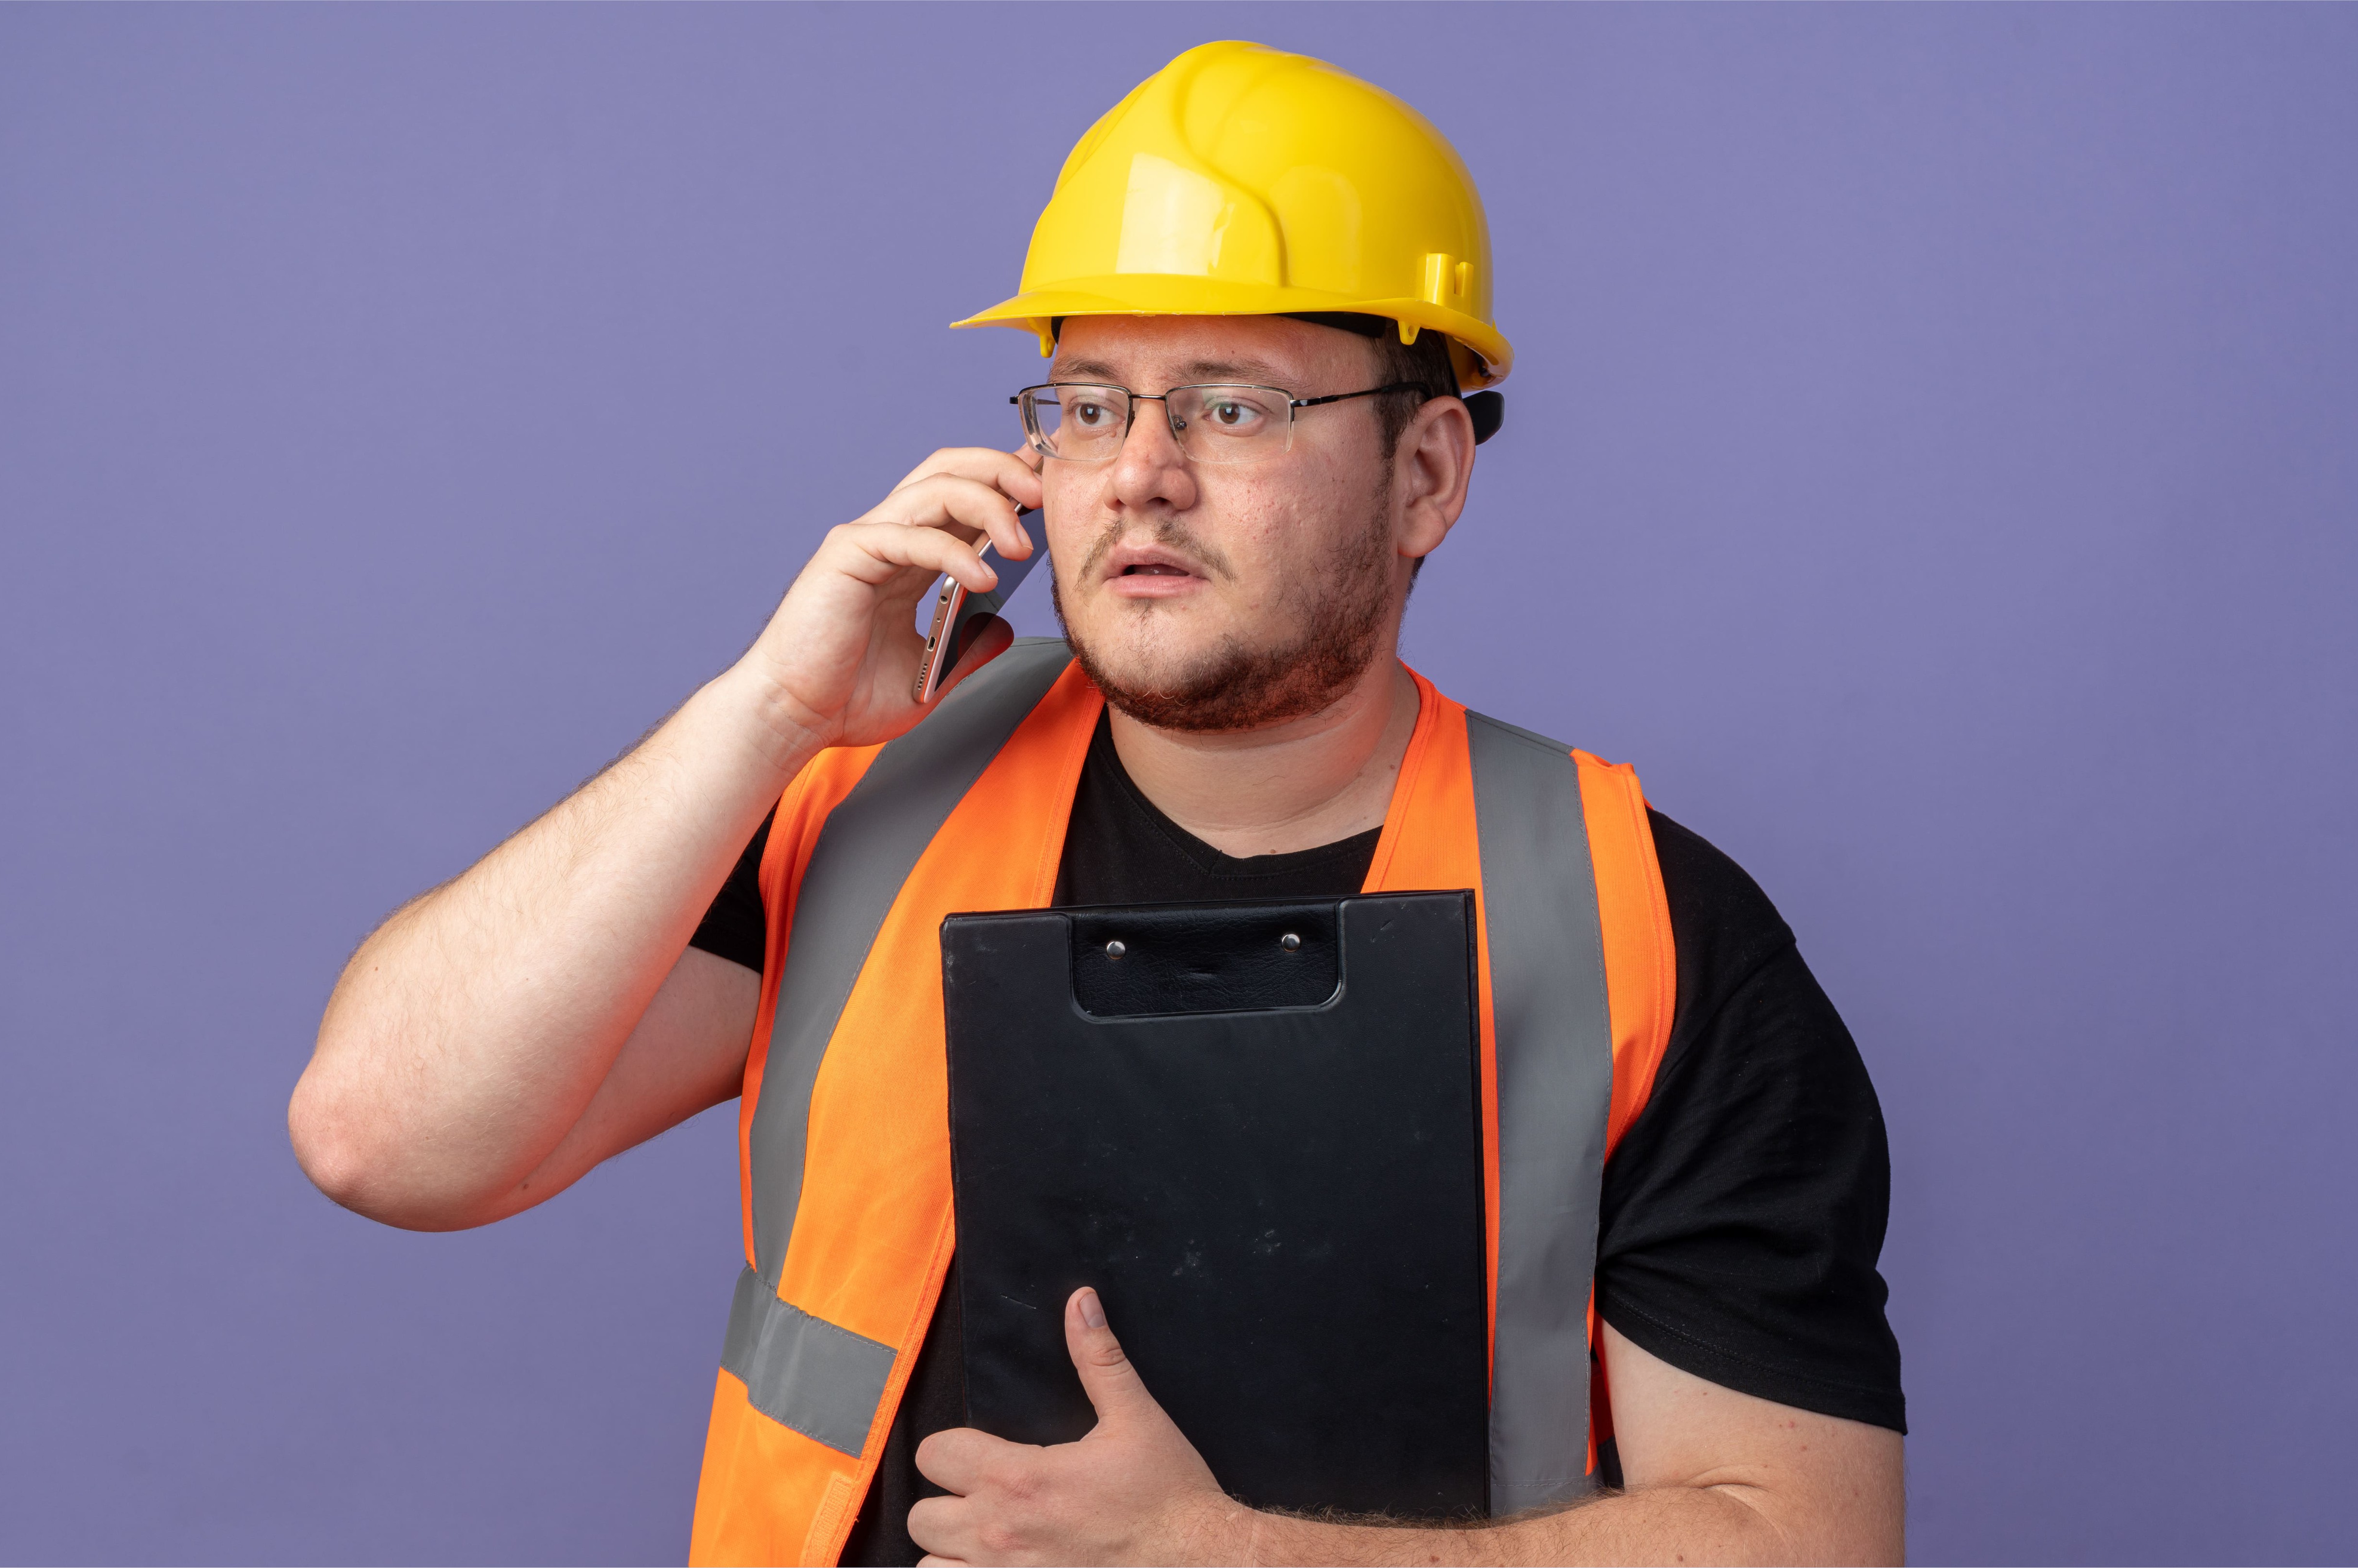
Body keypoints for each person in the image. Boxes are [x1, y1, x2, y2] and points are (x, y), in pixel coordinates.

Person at [291, 40, 1906, 1568]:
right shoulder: (852, 804)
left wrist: (1229, 1555)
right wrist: (770, 710)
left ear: (1425, 475)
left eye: (1232, 403)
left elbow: (1804, 1539)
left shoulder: (1636, 928)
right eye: (1085, 403)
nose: (1139, 469)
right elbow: (384, 1139)